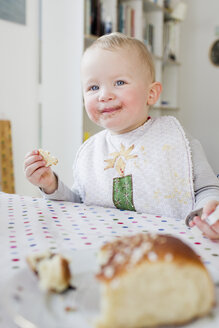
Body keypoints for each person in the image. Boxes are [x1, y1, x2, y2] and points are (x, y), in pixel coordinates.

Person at [24, 32, 219, 240]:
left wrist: (209, 214)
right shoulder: (91, 151)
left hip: (171, 250)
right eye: (93, 87)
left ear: (151, 93)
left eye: (119, 83)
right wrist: (51, 185)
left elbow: (207, 189)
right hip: (108, 250)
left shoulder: (176, 140)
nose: (104, 95)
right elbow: (80, 204)